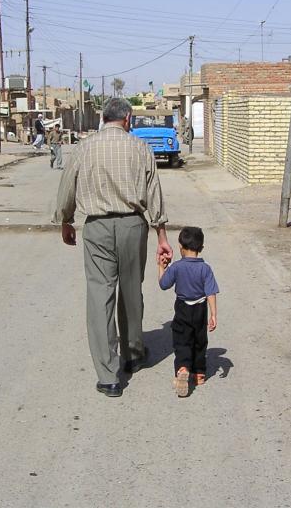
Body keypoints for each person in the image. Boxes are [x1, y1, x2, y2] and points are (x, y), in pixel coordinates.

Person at [54, 97, 173, 398]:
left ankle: (108, 376)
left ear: (103, 118)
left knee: (99, 296)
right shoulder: (140, 148)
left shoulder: (84, 147)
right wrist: (162, 235)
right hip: (134, 225)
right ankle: (132, 355)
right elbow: (154, 192)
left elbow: (67, 185)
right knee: (131, 291)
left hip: (97, 227)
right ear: (128, 119)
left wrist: (66, 221)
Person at [158, 226, 219, 398]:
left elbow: (163, 284)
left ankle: (183, 368)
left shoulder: (177, 267)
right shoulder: (205, 269)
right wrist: (213, 314)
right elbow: (211, 293)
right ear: (201, 248)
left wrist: (161, 267)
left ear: (180, 247)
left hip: (183, 308)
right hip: (200, 309)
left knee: (182, 340)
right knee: (200, 340)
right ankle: (199, 373)